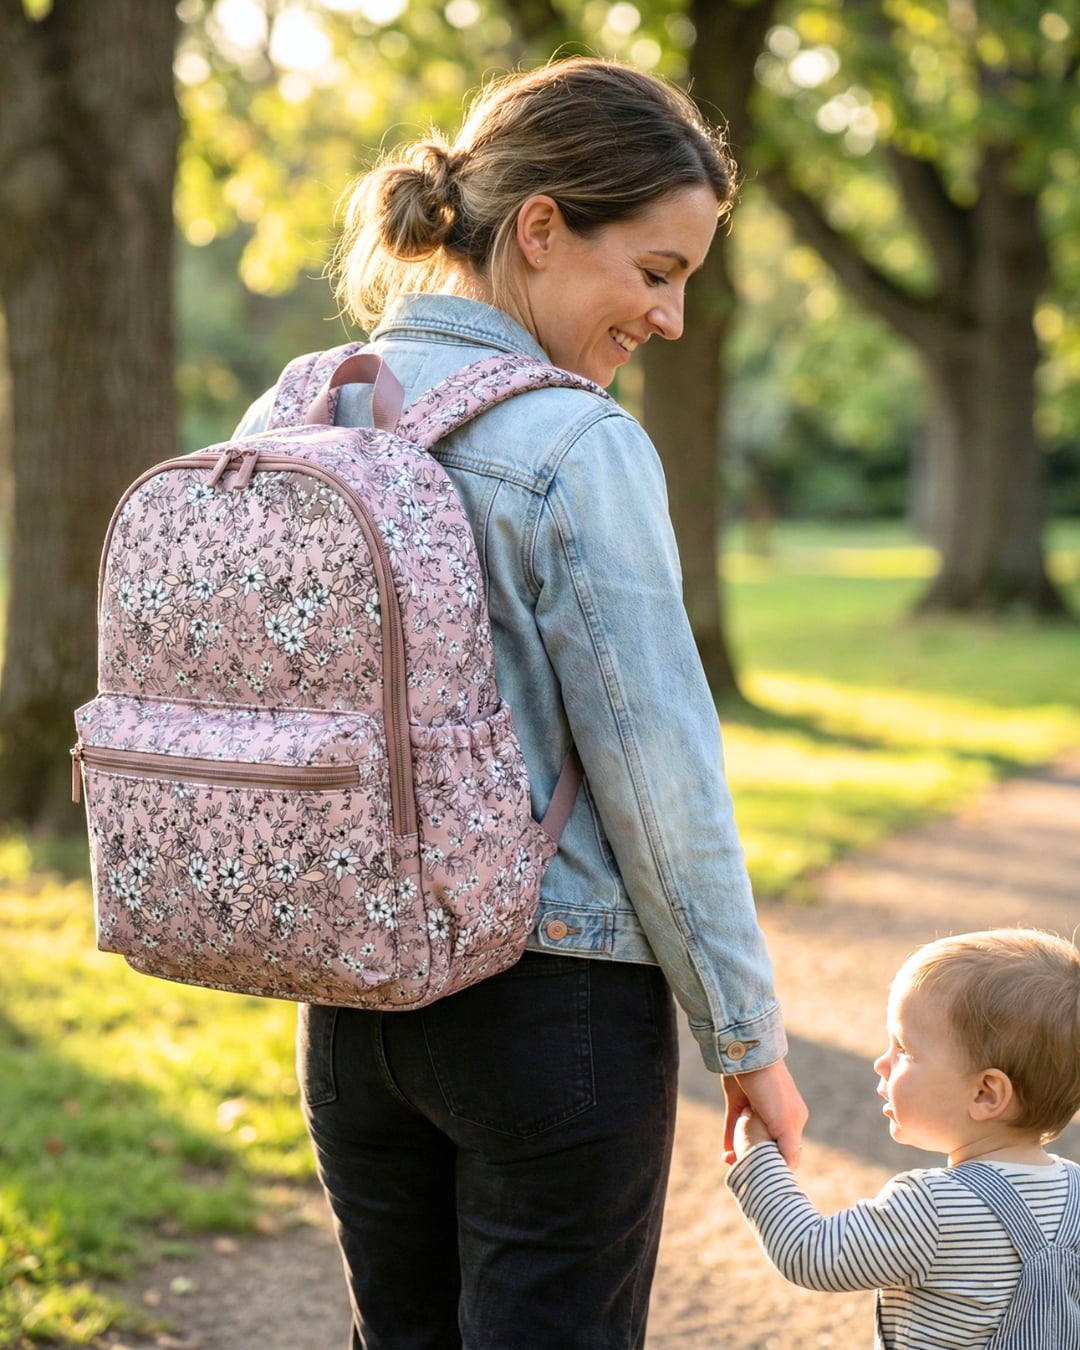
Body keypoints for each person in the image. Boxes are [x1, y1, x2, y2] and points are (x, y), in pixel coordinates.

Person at [237, 56, 806, 1350]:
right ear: (541, 229)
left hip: (350, 1004)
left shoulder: (305, 404)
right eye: (655, 272)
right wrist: (746, 1039)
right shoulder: (573, 445)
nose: (667, 318)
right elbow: (660, 778)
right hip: (553, 1007)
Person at [729, 927, 1080, 1349]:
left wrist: (757, 1156)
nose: (881, 1062)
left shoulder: (929, 1207)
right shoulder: (1075, 1193)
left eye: (904, 1051)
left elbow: (810, 1253)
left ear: (986, 1093)